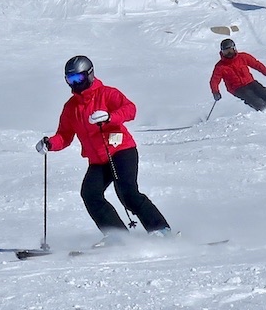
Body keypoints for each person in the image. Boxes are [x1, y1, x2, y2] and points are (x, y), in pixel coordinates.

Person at [35, 55, 171, 242]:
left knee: (127, 193)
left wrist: (110, 117)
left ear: (90, 74)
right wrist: (50, 143)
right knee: (90, 194)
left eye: (78, 78)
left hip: (122, 151)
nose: (75, 83)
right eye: (70, 79)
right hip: (98, 160)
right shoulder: (71, 108)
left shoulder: (107, 94)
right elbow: (64, 136)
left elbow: (130, 109)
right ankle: (117, 236)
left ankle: (161, 229)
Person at [210, 39, 266, 112]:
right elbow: (214, 81)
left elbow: (256, 64)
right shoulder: (220, 66)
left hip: (250, 82)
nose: (229, 53)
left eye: (230, 50)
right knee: (249, 96)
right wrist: (215, 92)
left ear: (234, 48)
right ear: (222, 52)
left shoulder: (243, 57)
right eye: (226, 51)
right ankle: (264, 108)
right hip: (236, 88)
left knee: (262, 91)